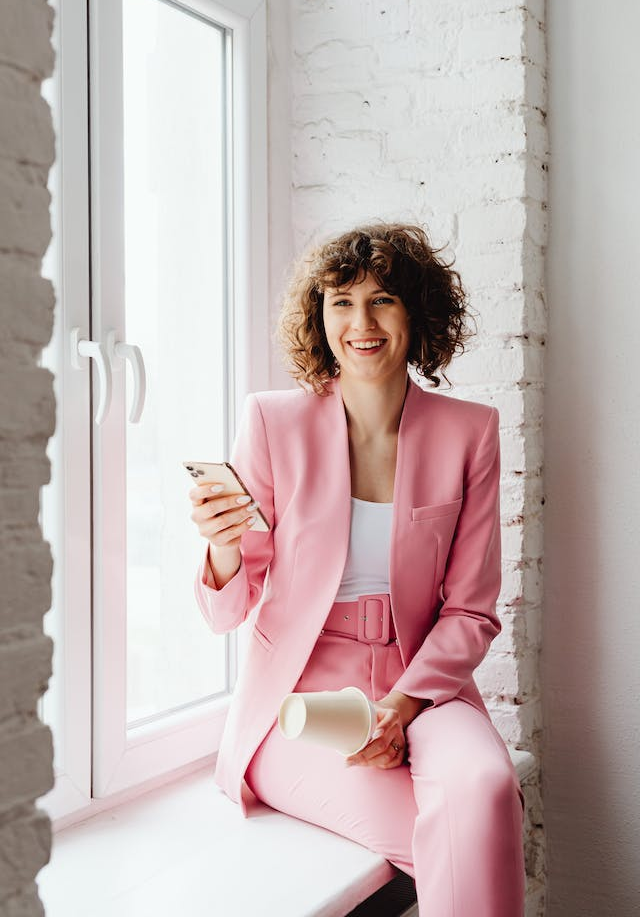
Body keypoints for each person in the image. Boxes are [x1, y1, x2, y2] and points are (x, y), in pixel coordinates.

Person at [189, 223, 526, 916]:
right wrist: (223, 547)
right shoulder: (271, 422)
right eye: (340, 302)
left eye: (382, 301)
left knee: (488, 792)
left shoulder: (470, 432)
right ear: (318, 316)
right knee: (458, 839)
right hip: (300, 697)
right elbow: (227, 611)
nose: (360, 323)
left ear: (417, 314)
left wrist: (401, 708)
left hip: (423, 683)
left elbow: (471, 610)